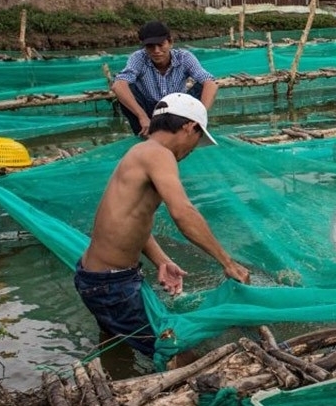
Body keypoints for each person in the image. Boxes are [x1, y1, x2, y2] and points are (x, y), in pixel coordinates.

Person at [75, 93, 251, 360]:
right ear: (189, 127)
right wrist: (228, 263)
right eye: (197, 140)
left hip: (99, 278)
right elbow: (183, 213)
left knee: (116, 346)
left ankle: (116, 383)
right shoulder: (159, 155)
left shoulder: (140, 151)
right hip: (112, 285)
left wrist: (161, 261)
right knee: (179, 356)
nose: (192, 150)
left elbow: (131, 219)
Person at [112, 21, 218, 137]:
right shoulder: (139, 57)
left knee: (203, 86)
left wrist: (200, 115)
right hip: (148, 109)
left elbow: (210, 83)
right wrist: (142, 116)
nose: (156, 51)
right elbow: (118, 85)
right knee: (126, 88)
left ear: (170, 42)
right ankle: (145, 131)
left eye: (161, 45)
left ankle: (192, 126)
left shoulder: (184, 57)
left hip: (177, 109)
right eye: (150, 46)